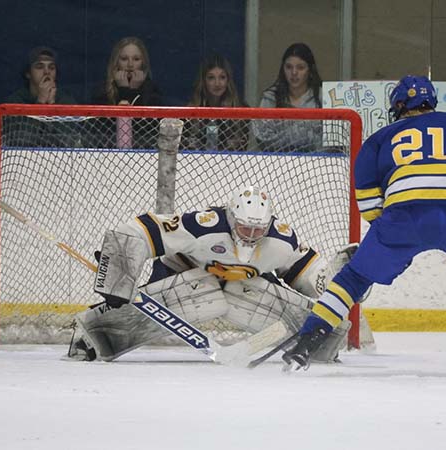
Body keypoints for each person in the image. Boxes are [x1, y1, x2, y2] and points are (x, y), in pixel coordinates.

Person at [282, 75, 446, 371]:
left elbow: (368, 202)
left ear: (398, 105)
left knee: (353, 279)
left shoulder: (379, 139)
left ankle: (308, 341)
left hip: (402, 216)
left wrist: (391, 239)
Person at [68, 185, 355, 363]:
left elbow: (308, 273)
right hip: (181, 270)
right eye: (244, 228)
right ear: (231, 218)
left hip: (241, 282)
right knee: (200, 290)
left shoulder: (281, 241)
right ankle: (90, 336)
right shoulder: (203, 225)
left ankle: (318, 344)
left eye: (258, 230)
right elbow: (144, 230)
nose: (251, 235)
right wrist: (119, 266)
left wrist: (338, 279)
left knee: (248, 293)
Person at [91, 37, 162, 149]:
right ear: (116, 62)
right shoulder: (103, 91)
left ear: (143, 63)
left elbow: (147, 132)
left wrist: (133, 92)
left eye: (136, 59)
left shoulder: (152, 91)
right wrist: (124, 91)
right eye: (124, 59)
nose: (130, 64)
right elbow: (101, 131)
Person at [253, 43, 323, 152]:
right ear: (283, 69)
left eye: (300, 68)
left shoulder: (323, 98)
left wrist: (287, 136)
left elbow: (330, 142)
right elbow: (262, 137)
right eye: (289, 67)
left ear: (310, 70)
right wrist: (302, 136)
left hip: (317, 160)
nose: (294, 72)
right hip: (277, 160)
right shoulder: (271, 98)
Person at [184, 54, 249, 151]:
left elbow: (242, 148)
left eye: (222, 77)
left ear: (228, 80)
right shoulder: (189, 111)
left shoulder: (241, 109)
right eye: (211, 78)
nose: (217, 83)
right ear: (204, 81)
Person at [5, 46, 77, 105]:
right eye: (40, 67)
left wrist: (52, 104)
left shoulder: (66, 101)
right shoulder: (15, 101)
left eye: (51, 67)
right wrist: (41, 101)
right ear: (28, 73)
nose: (47, 72)